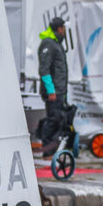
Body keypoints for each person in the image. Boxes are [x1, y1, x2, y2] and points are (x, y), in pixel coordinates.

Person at [37, 16, 69, 157]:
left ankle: (52, 151)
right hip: (53, 92)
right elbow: (44, 69)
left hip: (59, 90)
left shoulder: (56, 43)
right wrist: (51, 90)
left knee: (57, 120)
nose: (65, 31)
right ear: (60, 28)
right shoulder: (48, 44)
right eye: (64, 28)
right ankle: (47, 152)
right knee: (53, 120)